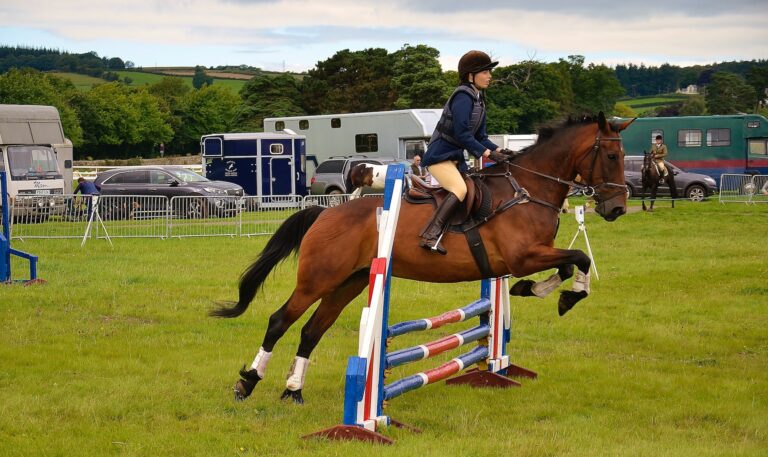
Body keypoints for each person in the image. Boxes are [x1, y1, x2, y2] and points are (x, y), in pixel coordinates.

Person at [420, 50, 510, 255]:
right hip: (439, 157)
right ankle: (430, 235)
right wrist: (487, 154)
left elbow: (481, 137)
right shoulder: (463, 96)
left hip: (455, 159)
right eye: (485, 72)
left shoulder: (479, 100)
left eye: (489, 72)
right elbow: (462, 134)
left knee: (475, 188)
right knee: (460, 189)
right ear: (471, 75)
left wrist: (500, 150)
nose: (490, 76)